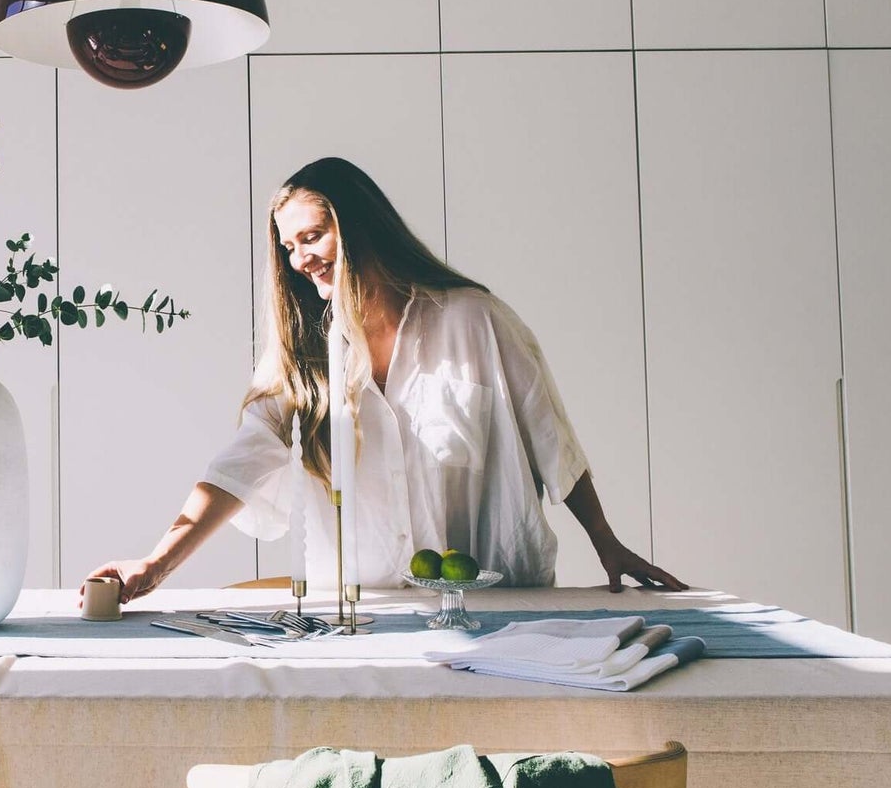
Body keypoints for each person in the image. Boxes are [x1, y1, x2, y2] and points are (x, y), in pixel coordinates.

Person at [84, 156, 686, 604]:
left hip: (493, 614)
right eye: (289, 247)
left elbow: (552, 439)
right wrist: (155, 565)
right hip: (362, 623)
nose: (301, 259)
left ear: (361, 224)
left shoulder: (475, 320)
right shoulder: (302, 357)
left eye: (313, 235)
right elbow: (235, 469)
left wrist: (607, 541)